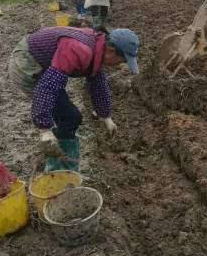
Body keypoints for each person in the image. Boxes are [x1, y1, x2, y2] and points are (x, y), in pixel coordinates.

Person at [8, 26, 140, 171]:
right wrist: (44, 129)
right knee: (70, 117)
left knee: (68, 116)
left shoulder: (97, 46)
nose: (120, 64)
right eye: (122, 60)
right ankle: (57, 168)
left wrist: (105, 116)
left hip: (43, 65)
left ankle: (59, 160)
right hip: (26, 64)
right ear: (111, 51)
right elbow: (47, 87)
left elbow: (98, 82)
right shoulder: (79, 49)